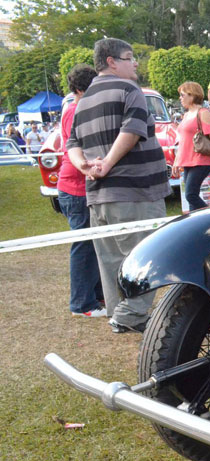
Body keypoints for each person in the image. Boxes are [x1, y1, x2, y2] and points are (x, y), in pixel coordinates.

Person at [66, 37, 171, 334]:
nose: (135, 62)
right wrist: (108, 163)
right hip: (135, 193)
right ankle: (130, 314)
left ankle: (118, 313)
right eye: (129, 57)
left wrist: (85, 165)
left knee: (111, 259)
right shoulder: (129, 89)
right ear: (111, 61)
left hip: (98, 197)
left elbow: (72, 143)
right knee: (146, 256)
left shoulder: (83, 99)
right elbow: (133, 129)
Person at [57, 64, 105, 318]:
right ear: (79, 89)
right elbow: (78, 147)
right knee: (83, 245)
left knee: (92, 244)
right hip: (74, 187)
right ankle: (82, 304)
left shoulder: (77, 108)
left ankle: (96, 296)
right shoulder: (74, 110)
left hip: (81, 185)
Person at [175, 81, 210, 211]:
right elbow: (183, 140)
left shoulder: (203, 112)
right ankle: (196, 225)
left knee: (191, 195)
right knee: (190, 199)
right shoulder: (187, 114)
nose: (180, 98)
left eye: (182, 95)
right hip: (187, 162)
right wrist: (176, 161)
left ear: (192, 95)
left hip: (200, 161)